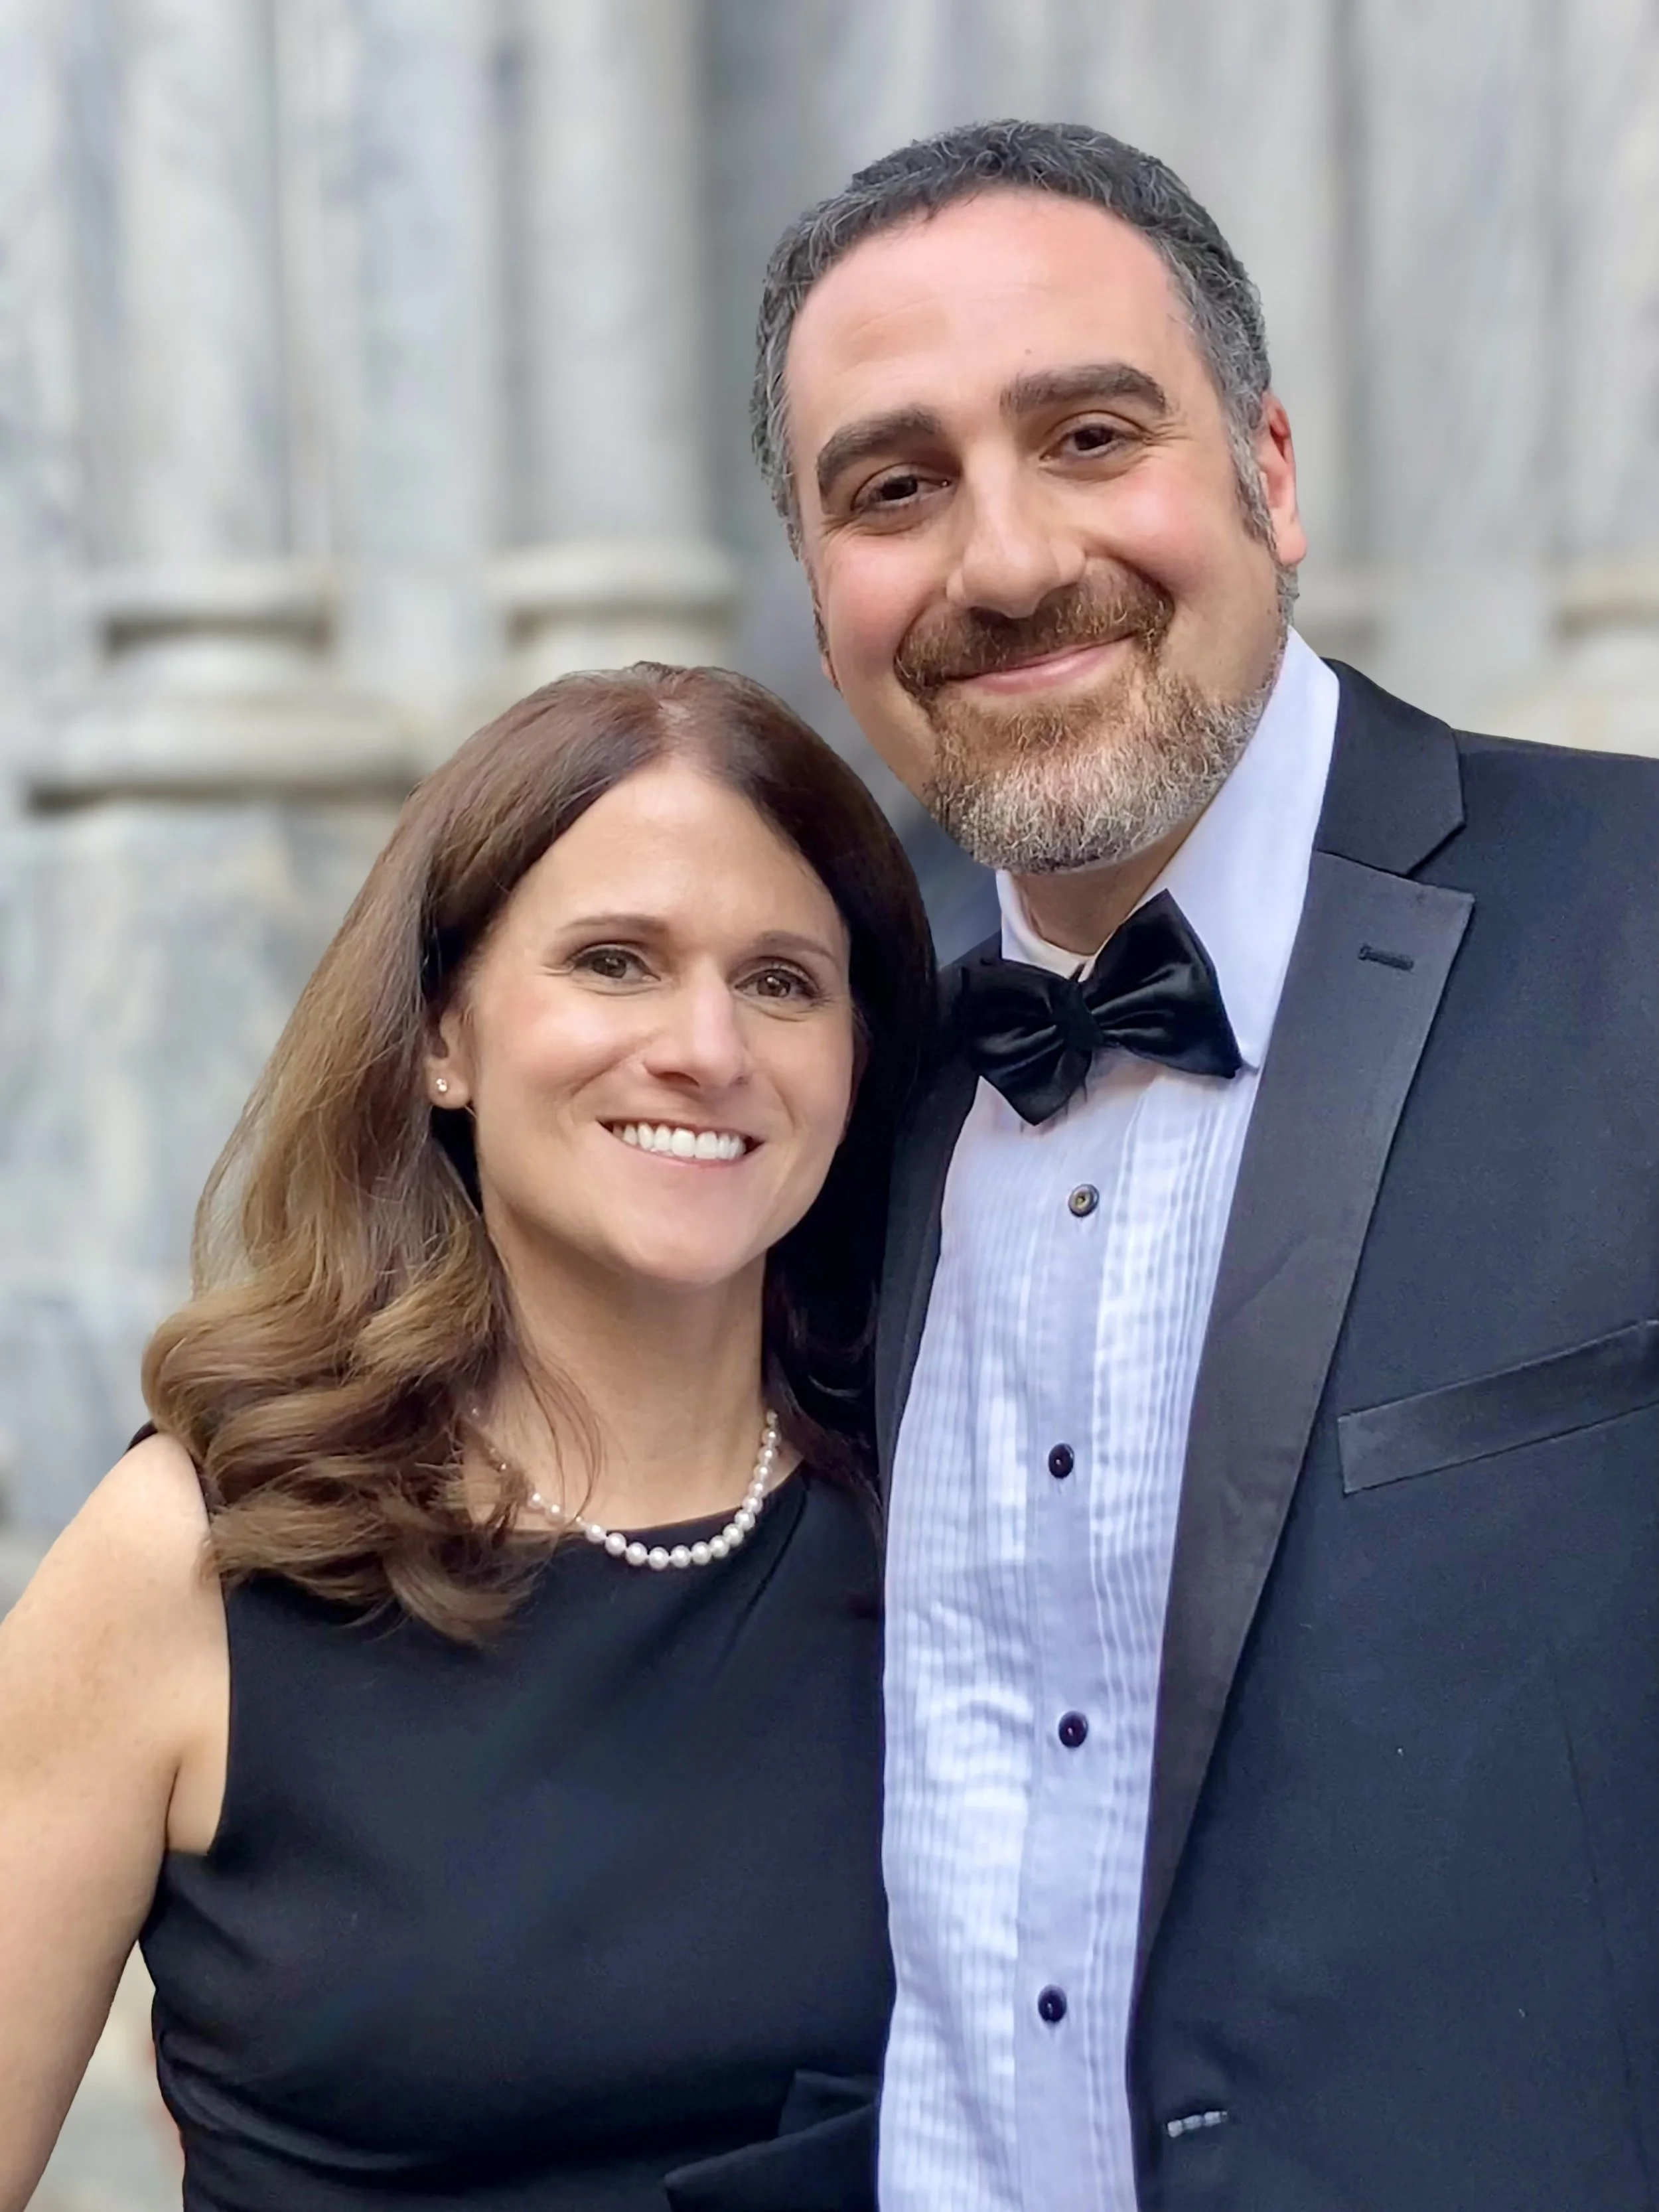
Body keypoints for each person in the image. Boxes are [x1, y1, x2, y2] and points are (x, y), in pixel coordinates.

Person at [753, 117, 1659, 2211]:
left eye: (1087, 436)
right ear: (816, 590)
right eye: (891, 488)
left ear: (1267, 472)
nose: (1001, 564)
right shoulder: (812, 1072)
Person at [0, 662, 934, 2212]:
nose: (706, 1045)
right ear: (443, 1034)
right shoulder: (200, 1557)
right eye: (615, 962)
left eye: (781, 981)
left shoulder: (959, 1500)